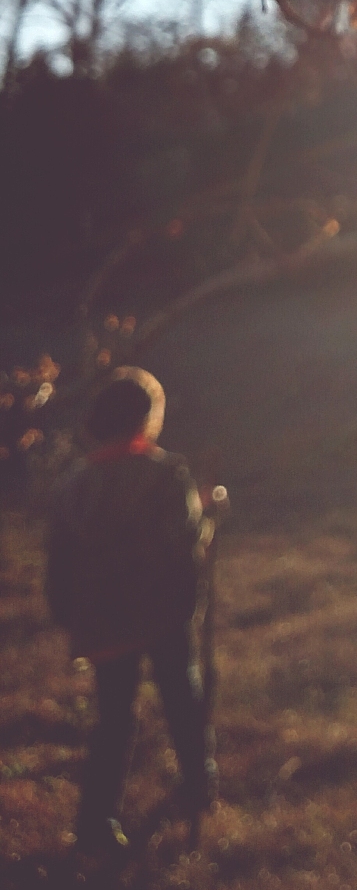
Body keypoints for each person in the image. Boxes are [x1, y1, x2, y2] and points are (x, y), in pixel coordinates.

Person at [46, 367, 217, 857]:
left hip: (103, 621)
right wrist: (208, 522)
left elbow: (59, 560)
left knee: (114, 720)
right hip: (162, 613)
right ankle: (197, 784)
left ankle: (97, 821)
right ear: (146, 417)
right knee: (182, 698)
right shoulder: (167, 474)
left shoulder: (75, 485)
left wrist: (69, 615)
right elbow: (181, 541)